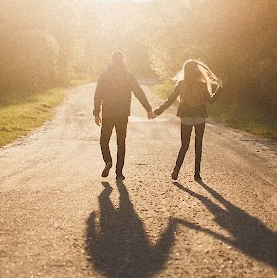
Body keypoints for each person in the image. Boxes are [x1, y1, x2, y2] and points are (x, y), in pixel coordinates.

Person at [153, 59, 221, 182]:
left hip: (186, 117)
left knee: (184, 145)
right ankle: (197, 174)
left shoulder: (181, 84)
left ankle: (176, 170)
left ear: (185, 70)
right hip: (199, 117)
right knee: (198, 146)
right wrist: (220, 88)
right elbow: (211, 100)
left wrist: (157, 112)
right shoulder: (202, 84)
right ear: (197, 71)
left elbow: (170, 100)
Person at [93, 51, 154, 180]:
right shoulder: (128, 76)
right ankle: (119, 173)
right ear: (123, 61)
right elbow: (139, 92)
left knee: (104, 140)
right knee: (121, 143)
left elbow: (98, 94)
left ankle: (108, 161)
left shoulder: (104, 76)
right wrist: (148, 109)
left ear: (111, 60)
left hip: (108, 113)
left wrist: (96, 112)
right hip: (122, 114)